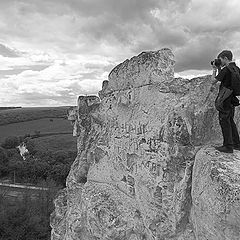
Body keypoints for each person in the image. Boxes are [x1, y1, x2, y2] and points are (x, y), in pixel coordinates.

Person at [211, 50, 240, 153]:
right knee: (231, 120)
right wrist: (219, 68)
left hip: (225, 99)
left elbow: (213, 81)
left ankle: (228, 146)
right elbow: (224, 79)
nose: (220, 61)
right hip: (232, 98)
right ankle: (236, 144)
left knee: (224, 121)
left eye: (221, 59)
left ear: (225, 58)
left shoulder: (226, 69)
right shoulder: (236, 68)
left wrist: (214, 69)